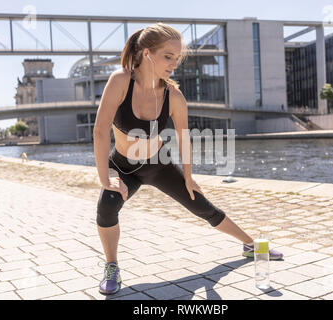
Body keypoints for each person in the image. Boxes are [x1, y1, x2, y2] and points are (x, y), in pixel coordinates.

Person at [93, 23, 282, 296]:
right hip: (122, 165)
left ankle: (251, 245)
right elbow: (100, 131)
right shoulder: (121, 81)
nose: (174, 64)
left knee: (202, 206)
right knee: (107, 205)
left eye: (177, 58)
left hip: (157, 164)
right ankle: (112, 267)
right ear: (147, 53)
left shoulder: (174, 96)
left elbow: (184, 138)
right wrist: (105, 179)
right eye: (168, 56)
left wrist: (189, 176)